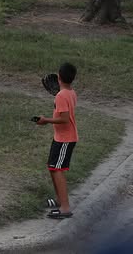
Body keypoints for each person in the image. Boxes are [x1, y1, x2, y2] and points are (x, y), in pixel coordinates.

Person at [33, 62, 78, 219]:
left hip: (65, 139)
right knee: (52, 167)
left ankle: (65, 208)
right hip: (61, 137)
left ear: (59, 76)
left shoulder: (61, 96)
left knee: (58, 170)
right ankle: (59, 200)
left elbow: (64, 119)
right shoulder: (70, 92)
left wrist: (46, 120)